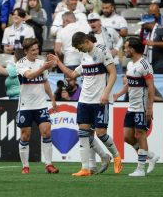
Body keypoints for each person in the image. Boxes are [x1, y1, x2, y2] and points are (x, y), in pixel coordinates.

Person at [48, 32, 122, 176]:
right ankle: (85, 168)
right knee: (83, 134)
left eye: (80, 46)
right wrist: (59, 63)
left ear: (87, 41)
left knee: (101, 134)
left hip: (99, 100)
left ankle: (116, 156)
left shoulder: (101, 50)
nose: (79, 50)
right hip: (84, 101)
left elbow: (113, 73)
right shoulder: (84, 56)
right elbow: (72, 75)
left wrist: (106, 93)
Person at [113, 37, 160, 177]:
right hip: (132, 107)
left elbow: (151, 87)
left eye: (126, 47)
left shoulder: (144, 65)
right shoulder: (130, 65)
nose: (125, 50)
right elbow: (130, 83)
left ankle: (140, 169)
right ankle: (150, 156)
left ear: (132, 49)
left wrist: (150, 107)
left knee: (141, 136)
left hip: (142, 107)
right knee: (127, 137)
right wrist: (118, 94)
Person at [15, 38, 59, 174]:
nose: (36, 51)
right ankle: (25, 166)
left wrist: (52, 98)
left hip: (40, 105)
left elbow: (45, 82)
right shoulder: (21, 64)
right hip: (25, 106)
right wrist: (44, 67)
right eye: (33, 50)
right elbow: (29, 76)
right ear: (26, 51)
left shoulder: (41, 63)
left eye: (37, 49)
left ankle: (49, 164)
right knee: (25, 136)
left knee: (46, 132)